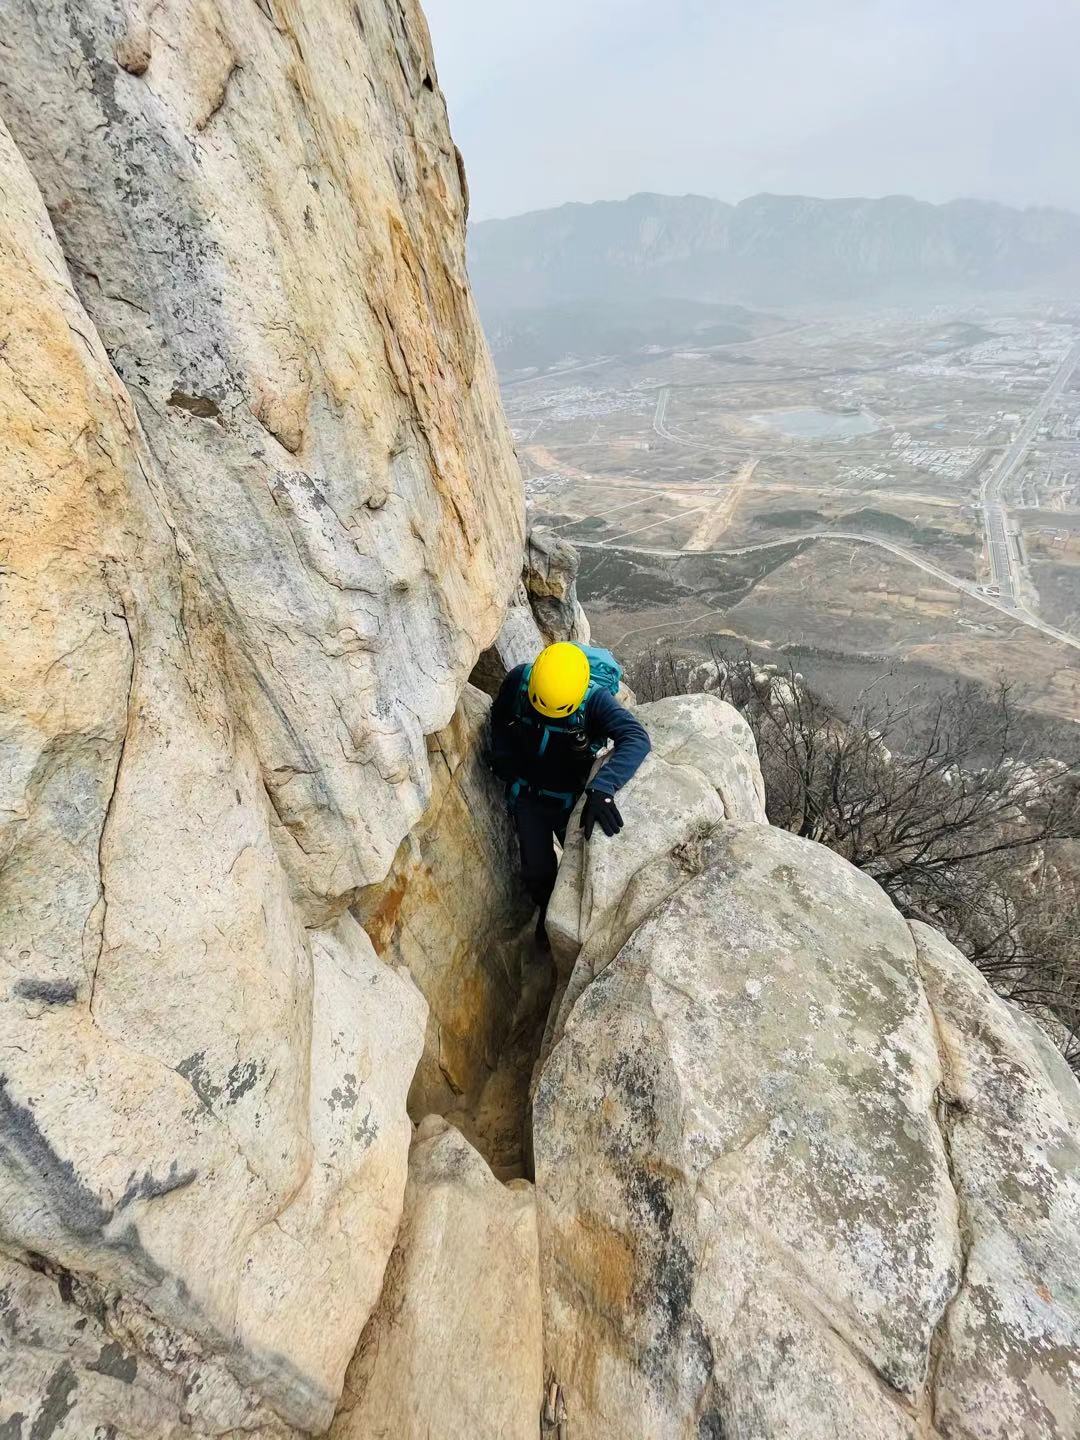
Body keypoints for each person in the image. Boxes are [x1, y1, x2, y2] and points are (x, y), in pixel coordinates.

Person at [489, 641, 651, 942]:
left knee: (576, 872)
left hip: (572, 799)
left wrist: (603, 787)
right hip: (528, 795)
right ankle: (546, 914)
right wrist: (502, 756)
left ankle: (560, 921)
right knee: (536, 871)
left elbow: (636, 738)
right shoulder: (520, 682)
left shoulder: (596, 701)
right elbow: (499, 716)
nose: (549, 718)